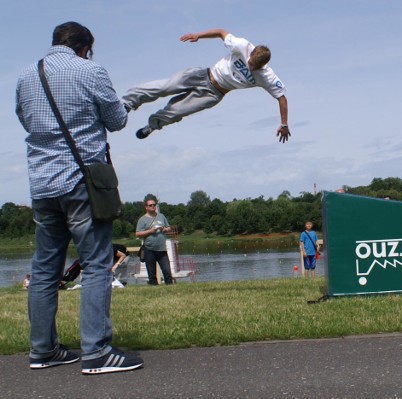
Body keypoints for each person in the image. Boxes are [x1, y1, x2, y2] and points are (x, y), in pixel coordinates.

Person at [16, 21, 144, 374]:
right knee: (97, 263)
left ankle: (43, 351)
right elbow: (116, 120)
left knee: (44, 270)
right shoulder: (90, 70)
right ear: (85, 47)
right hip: (80, 181)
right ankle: (97, 352)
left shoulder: (28, 74)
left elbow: (24, 119)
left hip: (42, 184)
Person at [122, 28, 291, 143]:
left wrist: (284, 124)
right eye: (251, 63)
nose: (251, 68)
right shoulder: (242, 46)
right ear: (251, 53)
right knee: (165, 87)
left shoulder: (267, 76)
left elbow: (281, 98)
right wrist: (198, 35)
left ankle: (151, 126)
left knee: (176, 111)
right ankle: (127, 103)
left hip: (213, 94)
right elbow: (220, 32)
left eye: (256, 67)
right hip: (202, 75)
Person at [136, 199, 174, 285]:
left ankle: (170, 287)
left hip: (162, 249)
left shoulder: (161, 216)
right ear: (146, 207)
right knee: (151, 273)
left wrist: (164, 229)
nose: (153, 206)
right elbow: (138, 233)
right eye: (150, 205)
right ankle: (154, 288)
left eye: (154, 205)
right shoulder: (142, 219)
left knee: (167, 271)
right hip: (149, 249)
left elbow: (169, 227)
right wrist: (150, 231)